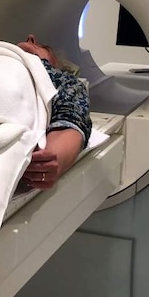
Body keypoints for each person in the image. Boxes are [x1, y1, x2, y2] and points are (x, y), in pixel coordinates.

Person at [16, 35, 92, 190]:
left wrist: (47, 162)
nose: (31, 39)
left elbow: (70, 120)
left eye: (44, 49)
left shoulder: (59, 79)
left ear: (53, 65)